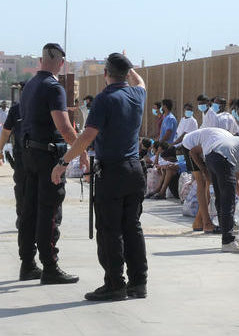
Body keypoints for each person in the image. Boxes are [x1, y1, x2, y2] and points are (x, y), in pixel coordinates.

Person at [51, 53, 148, 301]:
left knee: (109, 230)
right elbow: (141, 82)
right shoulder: (138, 95)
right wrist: (130, 66)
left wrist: (63, 162)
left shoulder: (105, 99)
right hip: (135, 170)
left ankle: (115, 283)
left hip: (112, 172)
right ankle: (138, 283)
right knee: (132, 228)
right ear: (127, 73)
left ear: (106, 73)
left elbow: (86, 136)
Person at [19, 43, 86, 284]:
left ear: (40, 60)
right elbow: (66, 128)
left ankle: (27, 263)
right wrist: (82, 151)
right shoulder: (53, 87)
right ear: (61, 63)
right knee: (49, 213)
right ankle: (50, 267)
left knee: (30, 210)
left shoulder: (30, 86)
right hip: (47, 157)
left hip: (29, 154)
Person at [0, 93, 35, 279]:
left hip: (33, 159)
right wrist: (0, 150)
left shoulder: (33, 106)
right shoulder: (16, 110)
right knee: (23, 197)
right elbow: (6, 131)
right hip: (24, 159)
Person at [204, 132, 239, 252]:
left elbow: (235, 181)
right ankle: (228, 241)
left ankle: (226, 237)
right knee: (228, 201)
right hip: (223, 156)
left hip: (212, 156)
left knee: (222, 199)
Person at [182, 127, 232, 233]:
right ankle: (206, 223)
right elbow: (193, 152)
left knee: (210, 182)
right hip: (190, 146)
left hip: (208, 144)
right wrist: (203, 169)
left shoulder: (231, 149)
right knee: (202, 182)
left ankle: (198, 222)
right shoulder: (215, 145)